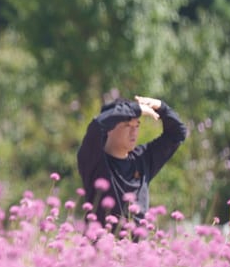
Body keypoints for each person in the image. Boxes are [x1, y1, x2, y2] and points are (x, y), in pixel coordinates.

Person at [76, 95, 187, 225]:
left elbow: (177, 134)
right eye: (127, 125)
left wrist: (161, 107)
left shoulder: (143, 159)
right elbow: (96, 125)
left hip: (137, 245)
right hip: (99, 243)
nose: (134, 132)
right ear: (109, 128)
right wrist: (135, 108)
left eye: (137, 125)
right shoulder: (93, 159)